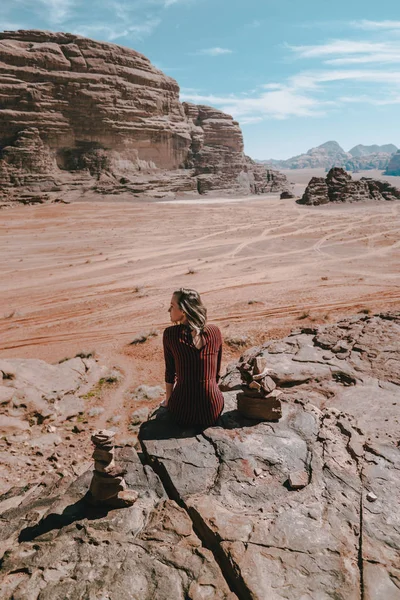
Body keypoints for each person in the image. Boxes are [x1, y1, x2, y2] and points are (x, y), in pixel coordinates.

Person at [161, 288, 224, 428]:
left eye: (172, 306)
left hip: (182, 411)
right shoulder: (215, 331)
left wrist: (168, 401)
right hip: (213, 408)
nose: (168, 310)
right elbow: (216, 373)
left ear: (183, 311)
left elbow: (170, 373)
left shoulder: (170, 334)